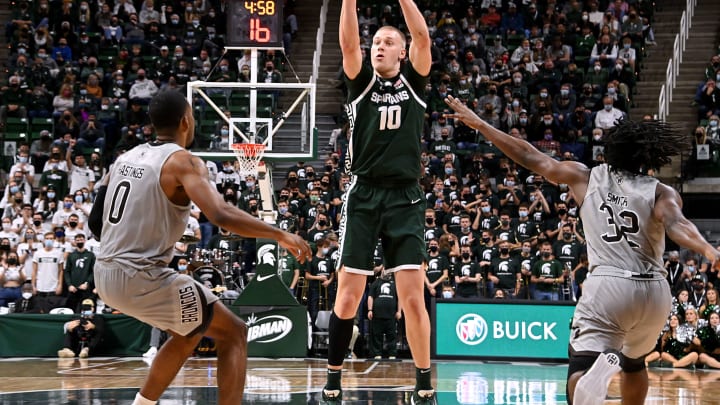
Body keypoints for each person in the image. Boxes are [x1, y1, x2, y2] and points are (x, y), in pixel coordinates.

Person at [444, 96, 720, 405]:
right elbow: (677, 224)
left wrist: (481, 124)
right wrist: (709, 251)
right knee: (634, 363)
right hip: (655, 292)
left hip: (609, 287)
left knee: (580, 366)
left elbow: (531, 157)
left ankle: (590, 380)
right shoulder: (660, 190)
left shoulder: (586, 176)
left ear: (609, 152)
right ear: (645, 157)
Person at [89, 89, 312, 405]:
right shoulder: (183, 162)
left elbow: (96, 224)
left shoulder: (125, 158)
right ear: (186, 121)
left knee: (190, 331)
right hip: (139, 276)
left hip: (104, 273)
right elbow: (220, 214)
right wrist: (280, 234)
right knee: (234, 333)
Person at [323, 0, 435, 402]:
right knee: (348, 295)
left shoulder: (415, 84)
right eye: (377, 42)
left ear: (403, 52)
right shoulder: (360, 82)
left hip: (405, 198)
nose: (379, 47)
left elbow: (422, 35)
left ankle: (424, 386)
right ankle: (333, 380)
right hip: (364, 193)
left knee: (412, 298)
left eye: (388, 42)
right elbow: (348, 43)